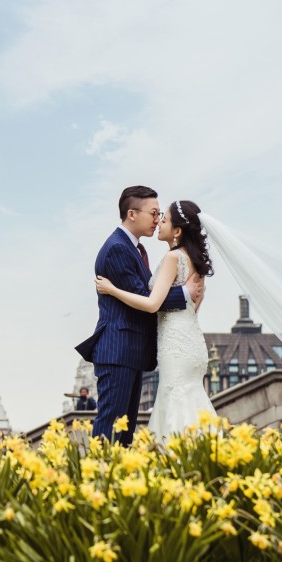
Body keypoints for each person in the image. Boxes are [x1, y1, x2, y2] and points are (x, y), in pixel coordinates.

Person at [75, 186, 202, 446]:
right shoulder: (117, 249)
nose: (157, 220)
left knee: (124, 433)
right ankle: (100, 482)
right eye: (154, 213)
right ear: (132, 213)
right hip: (118, 351)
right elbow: (143, 297)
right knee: (112, 430)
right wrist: (185, 294)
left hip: (130, 351)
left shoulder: (135, 249)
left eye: (160, 215)